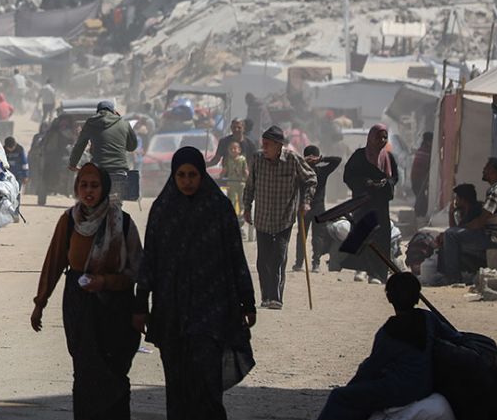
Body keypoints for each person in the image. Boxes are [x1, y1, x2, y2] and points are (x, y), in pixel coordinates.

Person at [138, 147, 257, 419]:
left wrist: (247, 302)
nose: (187, 181)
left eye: (193, 175)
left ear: (202, 175)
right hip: (172, 311)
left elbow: (235, 257)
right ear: (174, 175)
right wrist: (140, 303)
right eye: (181, 175)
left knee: (207, 386)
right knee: (177, 387)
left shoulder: (218, 207)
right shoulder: (163, 209)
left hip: (212, 310)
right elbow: (150, 260)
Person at [32, 163, 142, 420]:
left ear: (105, 188)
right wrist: (40, 303)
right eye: (84, 185)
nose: (89, 191)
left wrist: (105, 283)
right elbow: (55, 262)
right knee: (85, 370)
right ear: (76, 188)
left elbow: (137, 270)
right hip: (79, 305)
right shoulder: (69, 221)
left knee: (114, 371)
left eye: (95, 185)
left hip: (116, 308)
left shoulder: (122, 222)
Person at [316, 272, 461, 420]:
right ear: (417, 297)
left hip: (397, 391)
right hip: (424, 386)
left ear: (389, 298)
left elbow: (371, 368)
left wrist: (351, 387)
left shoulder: (388, 332)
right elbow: (456, 337)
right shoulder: (428, 319)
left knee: (339, 396)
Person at [241, 126, 316, 310]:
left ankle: (276, 298)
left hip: (284, 217)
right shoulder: (258, 159)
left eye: (268, 144)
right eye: (263, 144)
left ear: (278, 145)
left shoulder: (292, 159)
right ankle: (266, 297)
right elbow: (250, 186)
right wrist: (247, 207)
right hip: (263, 217)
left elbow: (311, 178)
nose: (264, 148)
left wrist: (306, 201)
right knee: (262, 260)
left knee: (278, 257)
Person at [436, 157, 497, 284]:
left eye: (486, 168)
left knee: (450, 235)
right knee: (451, 234)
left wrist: (460, 229)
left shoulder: (496, 192)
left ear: (493, 172)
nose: (483, 170)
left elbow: (480, 222)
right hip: (496, 236)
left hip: (493, 238)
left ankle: (452, 277)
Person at [343, 125, 398, 285]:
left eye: (384, 137)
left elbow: (394, 177)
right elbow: (349, 176)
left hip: (381, 204)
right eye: (379, 137)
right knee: (363, 234)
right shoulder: (359, 156)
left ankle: (378, 273)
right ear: (371, 137)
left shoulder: (388, 157)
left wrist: (385, 183)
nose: (381, 141)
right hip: (363, 203)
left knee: (381, 237)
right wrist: (364, 183)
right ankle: (361, 269)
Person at [67, 101, 139, 201]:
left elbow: (80, 145)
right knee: (118, 200)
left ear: (98, 112)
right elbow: (132, 147)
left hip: (98, 170)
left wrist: (73, 164)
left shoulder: (91, 122)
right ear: (113, 111)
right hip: (120, 170)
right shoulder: (124, 123)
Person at [295, 144, 343, 272]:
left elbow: (338, 160)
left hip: (314, 208)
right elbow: (337, 160)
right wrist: (315, 160)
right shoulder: (303, 171)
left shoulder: (312, 171)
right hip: (306, 207)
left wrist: (319, 159)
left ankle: (311, 263)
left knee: (315, 236)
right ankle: (303, 263)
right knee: (307, 236)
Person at [411, 132, 434, 220]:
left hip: (416, 177)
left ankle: (419, 216)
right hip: (419, 178)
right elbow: (426, 166)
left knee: (420, 196)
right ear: (429, 141)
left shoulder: (421, 149)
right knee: (421, 197)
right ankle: (419, 216)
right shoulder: (426, 151)